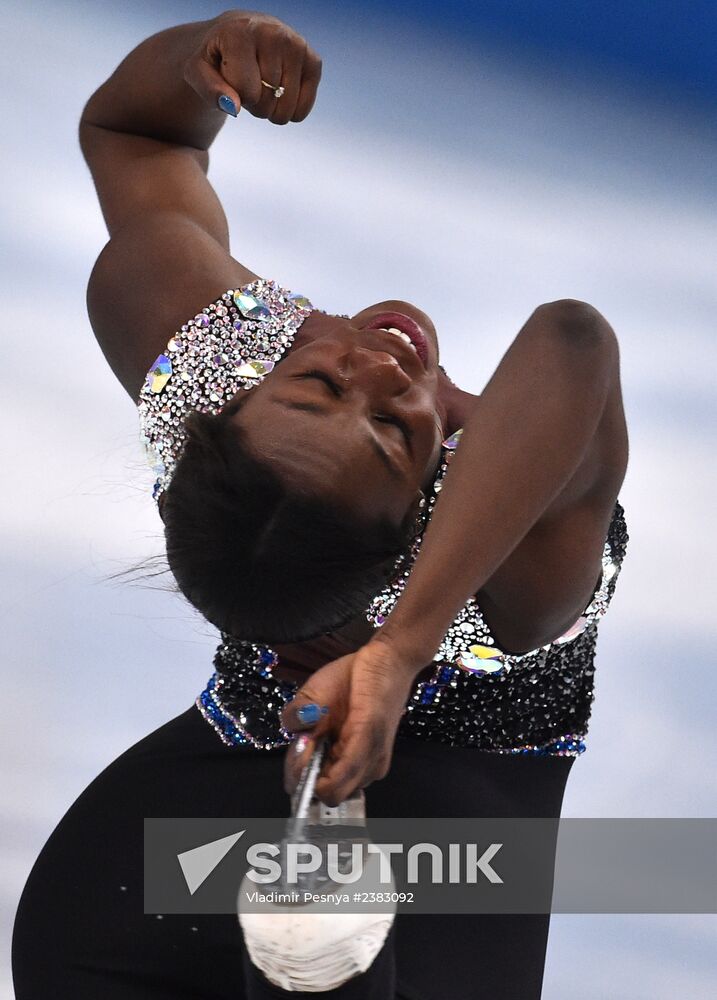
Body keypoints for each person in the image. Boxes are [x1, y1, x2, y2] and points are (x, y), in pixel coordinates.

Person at [11, 9, 629, 999]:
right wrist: (400, 651)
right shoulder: (508, 578)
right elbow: (571, 345)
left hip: (325, 869)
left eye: (324, 387)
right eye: (385, 429)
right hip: (158, 901)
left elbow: (139, 136)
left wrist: (206, 59)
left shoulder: (219, 368)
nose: (379, 368)